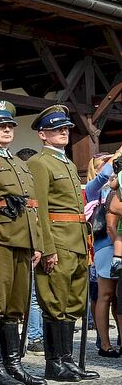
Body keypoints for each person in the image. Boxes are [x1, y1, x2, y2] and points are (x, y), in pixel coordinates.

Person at [0, 101, 46, 385]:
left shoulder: (19, 163)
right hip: (0, 240)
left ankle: (13, 364)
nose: (6, 130)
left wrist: (36, 243)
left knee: (16, 306)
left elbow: (32, 208)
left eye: (10, 126)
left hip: (22, 241)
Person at [28, 105, 99, 381]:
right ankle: (54, 363)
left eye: (66, 128)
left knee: (71, 303)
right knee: (54, 302)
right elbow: (40, 210)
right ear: (42, 135)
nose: (63, 132)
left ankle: (67, 360)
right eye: (56, 129)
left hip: (77, 241)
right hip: (58, 241)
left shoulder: (67, 163)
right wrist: (47, 247)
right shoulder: (40, 162)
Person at [86, 152, 121, 356]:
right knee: (105, 295)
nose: (108, 168)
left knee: (118, 297)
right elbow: (102, 176)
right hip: (105, 245)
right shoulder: (94, 188)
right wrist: (116, 154)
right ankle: (104, 343)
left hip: (117, 243)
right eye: (102, 165)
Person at [16, 147, 44, 354]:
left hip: (31, 242)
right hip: (22, 242)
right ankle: (34, 336)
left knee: (33, 295)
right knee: (32, 296)